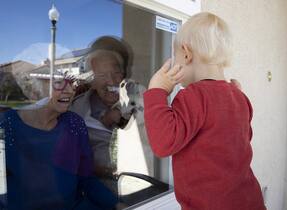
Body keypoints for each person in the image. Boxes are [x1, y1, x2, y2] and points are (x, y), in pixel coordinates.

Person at [143, 12, 266, 210]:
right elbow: (242, 140)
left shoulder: (193, 96)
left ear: (186, 53)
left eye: (176, 57)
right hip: (250, 201)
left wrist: (157, 91)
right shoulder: (239, 97)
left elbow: (163, 143)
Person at [0, 74, 118, 210]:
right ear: (32, 89)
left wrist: (117, 205)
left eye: (71, 83)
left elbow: (87, 178)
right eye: (58, 82)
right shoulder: (4, 126)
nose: (70, 90)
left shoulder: (74, 123)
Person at [70, 36, 149, 194]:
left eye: (116, 73)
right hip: (93, 190)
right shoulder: (76, 108)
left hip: (138, 189)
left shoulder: (141, 98)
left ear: (125, 74)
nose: (111, 81)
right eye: (102, 75)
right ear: (91, 79)